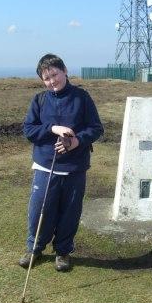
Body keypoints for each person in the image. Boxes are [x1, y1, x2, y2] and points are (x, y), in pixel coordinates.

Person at [19, 53, 104, 272]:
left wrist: (76, 141)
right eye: (46, 78)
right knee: (40, 209)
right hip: (45, 165)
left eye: (54, 74)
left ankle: (63, 251)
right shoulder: (39, 100)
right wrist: (52, 128)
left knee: (70, 211)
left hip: (75, 166)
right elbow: (28, 130)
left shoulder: (82, 97)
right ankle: (34, 248)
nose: (52, 81)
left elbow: (96, 128)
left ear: (64, 70)